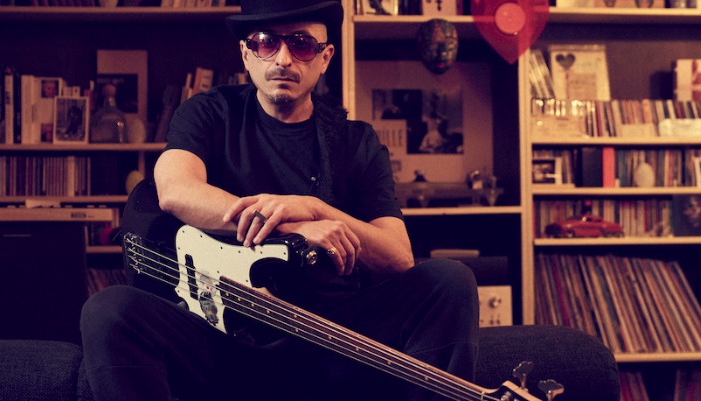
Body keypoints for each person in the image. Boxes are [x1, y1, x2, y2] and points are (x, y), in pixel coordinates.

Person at [79, 1, 479, 401]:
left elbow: (399, 257)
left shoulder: (356, 141)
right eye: (266, 42)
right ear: (246, 53)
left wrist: (316, 208)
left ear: (325, 58)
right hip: (225, 340)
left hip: (331, 339)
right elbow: (174, 190)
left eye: (301, 44)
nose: (283, 59)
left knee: (448, 280)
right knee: (109, 310)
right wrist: (295, 228)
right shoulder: (208, 113)